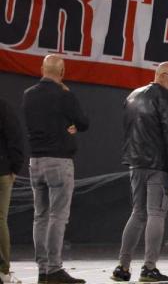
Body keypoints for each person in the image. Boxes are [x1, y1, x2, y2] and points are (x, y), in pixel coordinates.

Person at [112, 63, 168, 283]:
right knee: (156, 214)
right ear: (162, 76)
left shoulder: (133, 96)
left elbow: (127, 131)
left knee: (138, 213)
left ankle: (122, 268)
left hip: (135, 165)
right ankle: (149, 269)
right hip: (158, 167)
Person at [22, 56, 90, 284]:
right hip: (59, 161)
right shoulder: (64, 95)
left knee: (39, 216)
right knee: (57, 216)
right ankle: (54, 268)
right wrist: (68, 125)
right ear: (62, 71)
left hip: (35, 162)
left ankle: (43, 269)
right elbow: (83, 123)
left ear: (42, 69)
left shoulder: (28, 95)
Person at [0, 94, 25, 284]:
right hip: (3, 170)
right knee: (0, 219)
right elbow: (15, 136)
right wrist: (15, 167)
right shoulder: (4, 107)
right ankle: (2, 270)